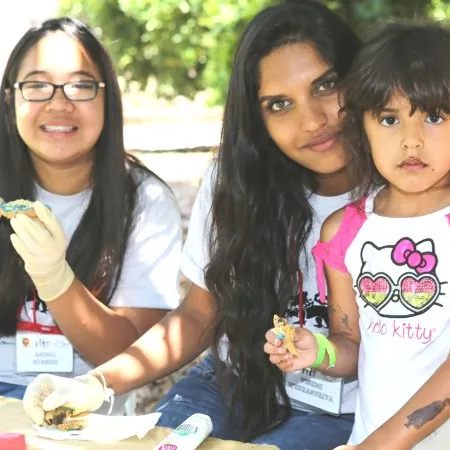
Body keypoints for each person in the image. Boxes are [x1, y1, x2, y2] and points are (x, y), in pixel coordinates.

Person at [22, 2, 361, 448]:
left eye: (327, 85)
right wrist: (97, 385)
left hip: (344, 408)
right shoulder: (234, 182)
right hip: (233, 384)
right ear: (257, 118)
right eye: (279, 104)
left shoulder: (412, 196)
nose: (313, 120)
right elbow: (199, 314)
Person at [265, 23, 450, 449]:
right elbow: (350, 346)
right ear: (361, 129)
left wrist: (380, 445)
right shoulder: (345, 231)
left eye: (434, 116)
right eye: (389, 119)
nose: (411, 141)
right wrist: (317, 351)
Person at [0, 17, 182, 414]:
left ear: (107, 98)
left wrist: (55, 279)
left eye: (81, 85)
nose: (59, 103)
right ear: (10, 98)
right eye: (37, 85)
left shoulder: (146, 202)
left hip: (82, 405)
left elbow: (127, 354)